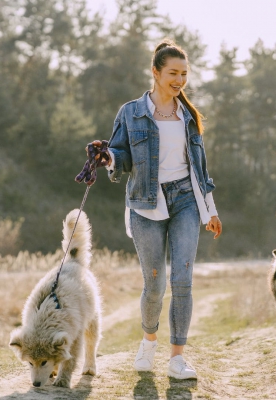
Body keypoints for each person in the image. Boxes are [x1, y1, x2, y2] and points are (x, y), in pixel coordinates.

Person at [84, 39, 222, 379]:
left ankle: (177, 358)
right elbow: (122, 154)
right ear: (156, 72)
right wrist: (109, 158)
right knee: (156, 283)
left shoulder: (188, 115)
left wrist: (211, 209)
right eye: (173, 73)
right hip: (145, 201)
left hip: (187, 200)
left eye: (184, 74)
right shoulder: (131, 112)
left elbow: (200, 168)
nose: (179, 80)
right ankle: (148, 343)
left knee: (183, 280)